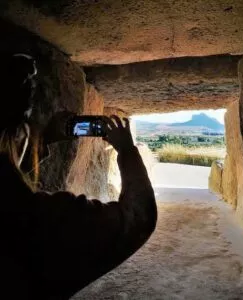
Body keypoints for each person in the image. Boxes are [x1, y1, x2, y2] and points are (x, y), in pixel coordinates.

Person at [0, 54, 157, 300]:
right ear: (20, 135)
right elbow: (138, 218)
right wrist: (126, 151)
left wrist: (44, 140)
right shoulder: (44, 220)